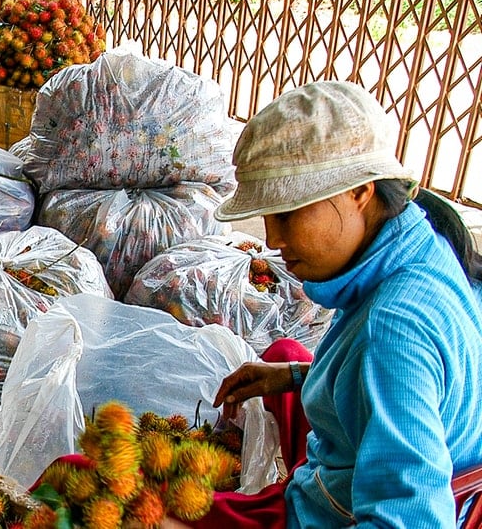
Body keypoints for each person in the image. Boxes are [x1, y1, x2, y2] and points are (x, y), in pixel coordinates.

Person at [181, 81, 482, 528]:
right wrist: (294, 377)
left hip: (334, 511)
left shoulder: (394, 331)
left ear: (360, 191)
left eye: (287, 215)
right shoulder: (422, 240)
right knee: (285, 352)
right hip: (362, 466)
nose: (273, 241)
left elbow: (411, 518)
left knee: (105, 489)